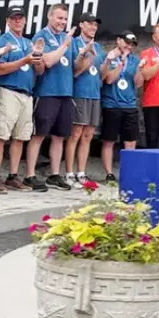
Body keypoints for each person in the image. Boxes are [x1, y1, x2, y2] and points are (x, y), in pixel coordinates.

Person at [0, 6, 45, 192]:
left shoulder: (29, 42)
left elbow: (40, 71)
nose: (17, 21)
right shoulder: (2, 41)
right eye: (14, 18)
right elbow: (0, 69)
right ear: (8, 21)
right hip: (8, 90)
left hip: (27, 92)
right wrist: (25, 60)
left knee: (20, 137)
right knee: (1, 134)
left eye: (20, 18)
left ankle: (13, 176)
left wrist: (37, 57)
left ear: (25, 20)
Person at [24, 4, 77, 192]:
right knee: (38, 135)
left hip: (65, 92)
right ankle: (30, 174)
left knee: (59, 136)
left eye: (65, 19)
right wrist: (64, 46)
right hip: (46, 92)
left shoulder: (66, 38)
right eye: (59, 18)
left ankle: (54, 175)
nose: (62, 22)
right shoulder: (41, 36)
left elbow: (73, 67)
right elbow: (46, 61)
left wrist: (85, 56)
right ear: (50, 16)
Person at [64, 12, 104, 189]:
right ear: (81, 25)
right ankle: (69, 173)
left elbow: (101, 74)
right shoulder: (74, 44)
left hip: (95, 94)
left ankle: (82, 172)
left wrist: (109, 63)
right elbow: (74, 71)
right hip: (79, 93)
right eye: (90, 24)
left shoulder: (99, 47)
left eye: (95, 24)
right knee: (75, 134)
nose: (93, 27)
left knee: (88, 135)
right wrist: (86, 56)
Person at [99, 31, 143, 182]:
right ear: (118, 41)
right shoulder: (109, 57)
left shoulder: (135, 60)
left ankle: (128, 171)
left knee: (130, 140)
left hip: (129, 103)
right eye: (126, 42)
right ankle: (109, 173)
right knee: (109, 140)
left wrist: (140, 70)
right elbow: (109, 80)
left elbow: (138, 83)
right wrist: (121, 63)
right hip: (112, 103)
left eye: (132, 44)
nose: (129, 46)